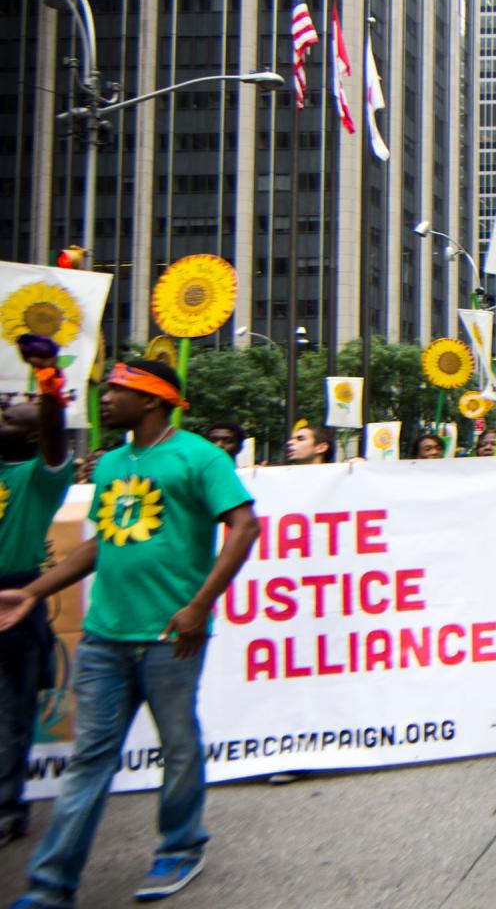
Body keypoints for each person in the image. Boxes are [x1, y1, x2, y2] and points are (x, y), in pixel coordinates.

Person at [0, 360, 260, 907]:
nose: (107, 398)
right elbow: (102, 542)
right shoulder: (114, 462)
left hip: (172, 636)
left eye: (118, 390)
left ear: (153, 399)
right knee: (90, 759)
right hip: (103, 638)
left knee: (179, 746)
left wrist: (200, 605)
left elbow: (244, 525)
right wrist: (35, 592)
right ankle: (50, 886)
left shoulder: (201, 456)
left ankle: (182, 846)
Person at [0, 337, 73, 849]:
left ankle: (7, 809)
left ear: (27, 438)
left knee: (9, 710)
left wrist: (48, 381)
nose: (1, 416)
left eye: (9, 418)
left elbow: (52, 433)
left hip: (12, 598)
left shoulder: (39, 478)